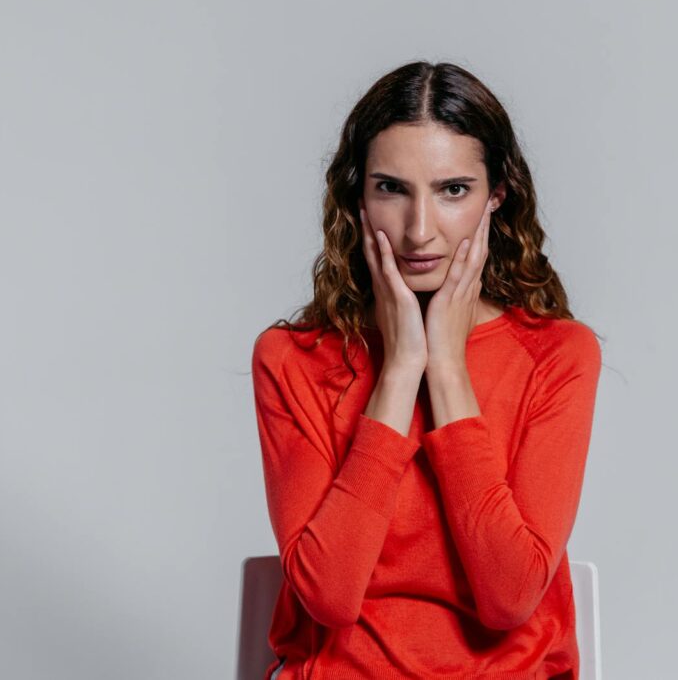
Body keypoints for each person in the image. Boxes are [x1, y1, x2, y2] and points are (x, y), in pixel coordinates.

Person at [251, 60, 604, 679]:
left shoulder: (558, 356)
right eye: (392, 188)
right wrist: (399, 369)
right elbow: (328, 597)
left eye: (453, 190)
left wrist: (446, 369)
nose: (419, 231)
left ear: (498, 194)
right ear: (357, 195)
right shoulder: (292, 361)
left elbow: (509, 596)